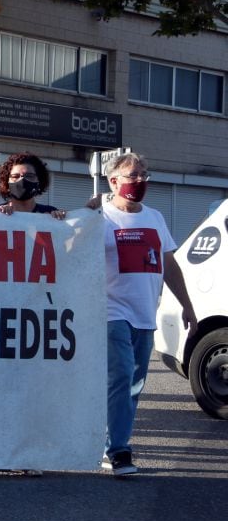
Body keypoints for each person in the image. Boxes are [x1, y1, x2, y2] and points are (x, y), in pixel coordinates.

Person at [101, 153, 195, 477]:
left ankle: (110, 438)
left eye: (144, 174)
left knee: (135, 384)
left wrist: (188, 305)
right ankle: (120, 450)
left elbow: (169, 264)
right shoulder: (101, 216)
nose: (140, 180)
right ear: (113, 181)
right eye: (132, 175)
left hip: (145, 314)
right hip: (111, 311)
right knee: (122, 375)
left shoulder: (154, 217)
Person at [0, 152, 66, 219]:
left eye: (29, 176)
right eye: (15, 176)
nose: (22, 180)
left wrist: (62, 219)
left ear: (39, 180)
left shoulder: (50, 213)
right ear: (6, 182)